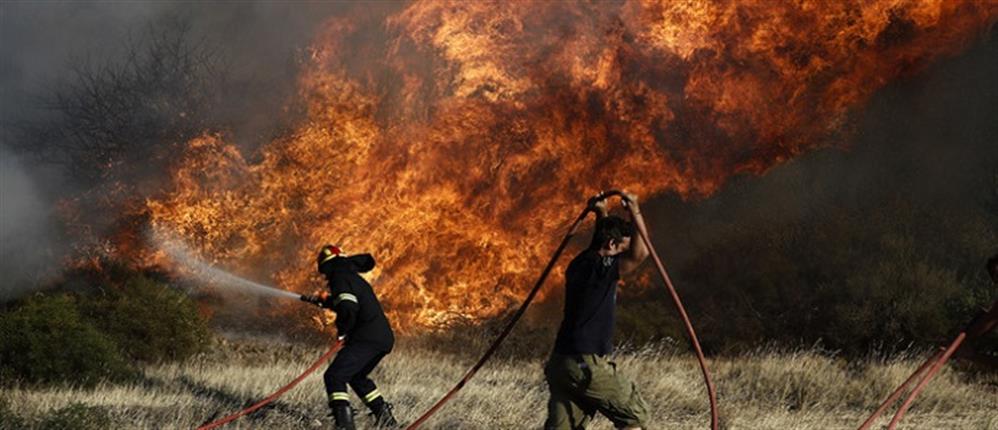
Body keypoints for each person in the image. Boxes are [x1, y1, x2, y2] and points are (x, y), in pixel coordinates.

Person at [544, 191, 651, 430]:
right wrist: (634, 209)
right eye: (621, 248)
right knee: (635, 415)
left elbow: (601, 241)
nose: (623, 255)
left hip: (561, 363)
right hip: (586, 363)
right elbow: (641, 254)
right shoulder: (602, 269)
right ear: (612, 245)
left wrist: (601, 211)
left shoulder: (580, 262)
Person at [303, 245, 398, 430]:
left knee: (335, 376)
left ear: (328, 265)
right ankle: (386, 419)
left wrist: (342, 331)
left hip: (366, 338)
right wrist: (327, 302)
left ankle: (345, 425)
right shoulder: (350, 277)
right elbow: (347, 302)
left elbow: (347, 307)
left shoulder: (339, 277)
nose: (325, 276)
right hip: (382, 338)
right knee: (356, 377)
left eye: (325, 271)